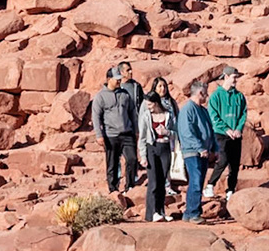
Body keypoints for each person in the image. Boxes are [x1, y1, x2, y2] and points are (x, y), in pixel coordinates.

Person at [89, 66, 140, 194]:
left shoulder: (125, 94)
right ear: (109, 79)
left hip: (127, 134)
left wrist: (136, 130)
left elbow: (133, 113)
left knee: (132, 159)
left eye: (120, 79)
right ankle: (113, 189)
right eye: (116, 79)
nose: (119, 81)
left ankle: (130, 186)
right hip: (110, 135)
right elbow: (96, 117)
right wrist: (99, 135)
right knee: (112, 163)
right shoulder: (100, 97)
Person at [137, 79, 177, 222]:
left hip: (165, 148)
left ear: (156, 103)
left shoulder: (168, 115)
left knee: (162, 181)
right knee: (153, 181)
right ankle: (152, 213)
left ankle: (161, 211)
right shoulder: (146, 117)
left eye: (150, 105)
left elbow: (176, 133)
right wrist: (143, 156)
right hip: (151, 149)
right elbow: (142, 137)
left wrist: (167, 132)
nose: (148, 107)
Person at [206, 67, 247, 197]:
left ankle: (230, 190)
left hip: (236, 135)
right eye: (234, 77)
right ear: (226, 77)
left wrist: (239, 129)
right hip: (221, 134)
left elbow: (243, 114)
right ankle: (210, 185)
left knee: (234, 165)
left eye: (237, 77)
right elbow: (213, 116)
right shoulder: (216, 96)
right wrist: (226, 129)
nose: (236, 80)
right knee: (223, 160)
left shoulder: (239, 96)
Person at [177, 80, 215, 222]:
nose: (207, 95)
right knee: (196, 181)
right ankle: (193, 213)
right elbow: (187, 132)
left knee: (198, 180)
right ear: (200, 93)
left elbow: (210, 130)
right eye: (206, 92)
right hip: (193, 152)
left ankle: (190, 213)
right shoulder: (188, 109)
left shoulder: (203, 111)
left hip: (203, 152)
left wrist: (214, 147)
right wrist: (199, 147)